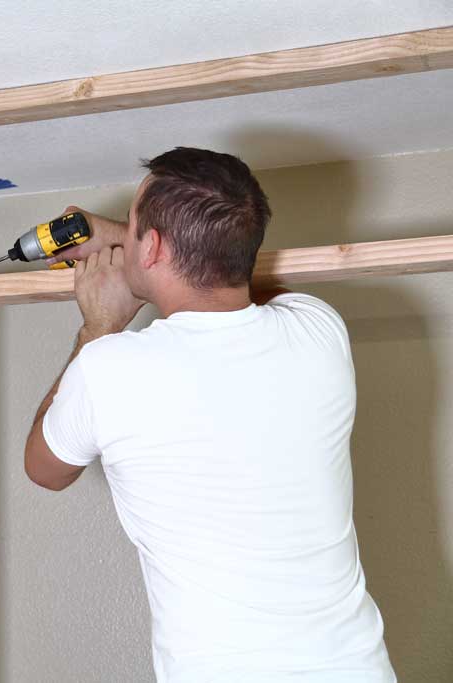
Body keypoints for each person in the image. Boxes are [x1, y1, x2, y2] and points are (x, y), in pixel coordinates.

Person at [25, 147, 395, 682]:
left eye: (132, 229)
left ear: (151, 246)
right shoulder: (320, 331)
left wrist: (98, 327)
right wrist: (134, 245)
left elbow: (44, 469)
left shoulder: (107, 366)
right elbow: (237, 287)